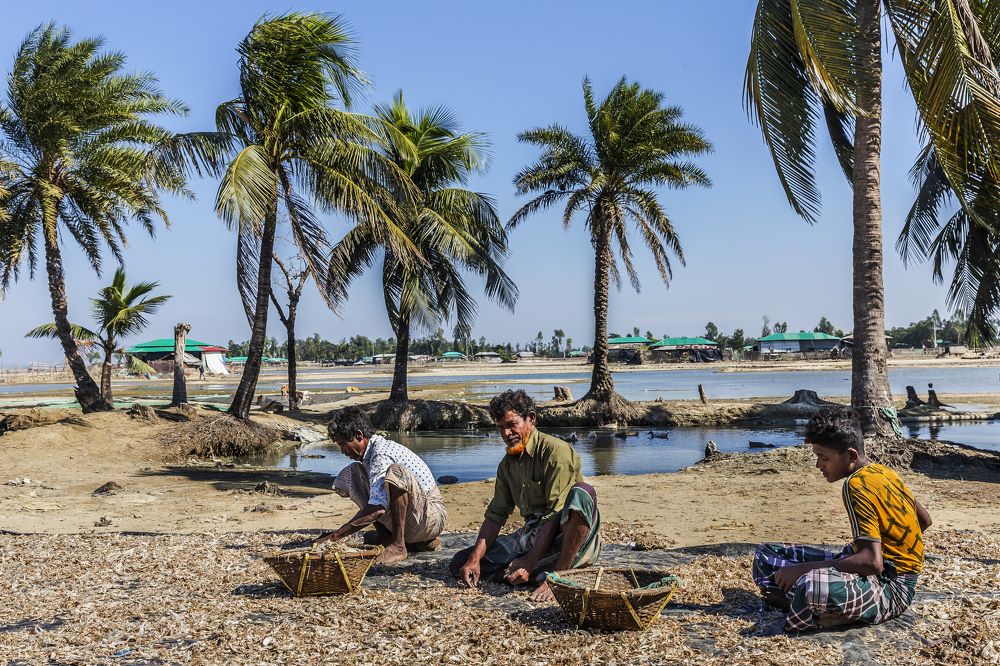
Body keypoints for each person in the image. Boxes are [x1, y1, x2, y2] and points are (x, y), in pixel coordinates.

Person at [752, 405, 932, 632]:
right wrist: (892, 545)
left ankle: (813, 609)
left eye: (823, 458)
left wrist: (803, 570)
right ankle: (808, 600)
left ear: (850, 456)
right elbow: (924, 520)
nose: (819, 465)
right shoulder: (885, 472)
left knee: (812, 584)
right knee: (767, 554)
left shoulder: (855, 486)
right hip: (880, 573)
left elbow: (872, 563)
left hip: (892, 590)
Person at [450, 389, 601, 601]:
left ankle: (557, 577)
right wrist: (475, 559)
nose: (506, 433)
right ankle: (528, 573)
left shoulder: (555, 451)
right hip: (534, 534)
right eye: (501, 427)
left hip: (567, 535)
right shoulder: (507, 465)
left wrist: (529, 560)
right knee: (461, 561)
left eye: (512, 425)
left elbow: (554, 514)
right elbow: (496, 514)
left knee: (584, 492)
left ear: (531, 418)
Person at [312, 408, 447, 564]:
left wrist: (335, 537)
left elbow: (377, 509)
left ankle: (398, 545)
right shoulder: (369, 457)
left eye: (343, 444)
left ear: (359, 435)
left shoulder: (381, 453)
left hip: (431, 517)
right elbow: (375, 500)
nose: (342, 451)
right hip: (416, 517)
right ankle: (388, 540)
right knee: (354, 473)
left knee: (396, 472)